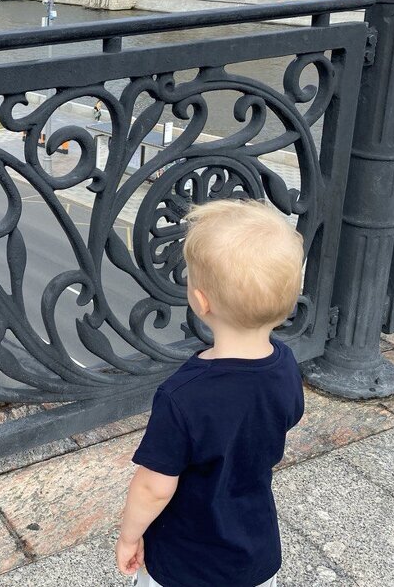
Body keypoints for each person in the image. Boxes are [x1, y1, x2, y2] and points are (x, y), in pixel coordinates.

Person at [116, 199, 305, 587]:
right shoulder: (285, 364)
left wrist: (129, 537)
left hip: (187, 561)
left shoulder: (183, 396)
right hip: (254, 554)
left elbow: (154, 488)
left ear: (201, 301)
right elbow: (287, 416)